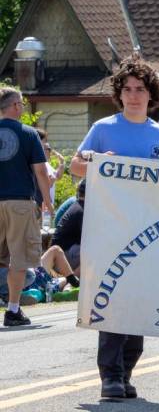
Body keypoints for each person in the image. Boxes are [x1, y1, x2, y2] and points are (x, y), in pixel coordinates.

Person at [70, 55, 159, 399]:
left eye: (140, 89)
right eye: (128, 89)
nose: (134, 95)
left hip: (149, 231)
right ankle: (111, 376)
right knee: (113, 301)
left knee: (138, 304)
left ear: (151, 95)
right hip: (110, 229)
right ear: (119, 94)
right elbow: (76, 166)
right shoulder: (103, 128)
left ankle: (128, 371)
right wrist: (100, 164)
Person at [0, 86, 54, 325]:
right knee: (18, 259)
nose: (21, 107)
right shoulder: (29, 133)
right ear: (14, 106)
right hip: (19, 202)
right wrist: (48, 202)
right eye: (20, 103)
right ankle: (13, 310)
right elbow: (41, 171)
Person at [51, 179, 85, 276]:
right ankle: (70, 283)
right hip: (62, 258)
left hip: (58, 255)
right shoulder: (82, 210)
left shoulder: (77, 205)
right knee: (94, 254)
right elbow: (88, 239)